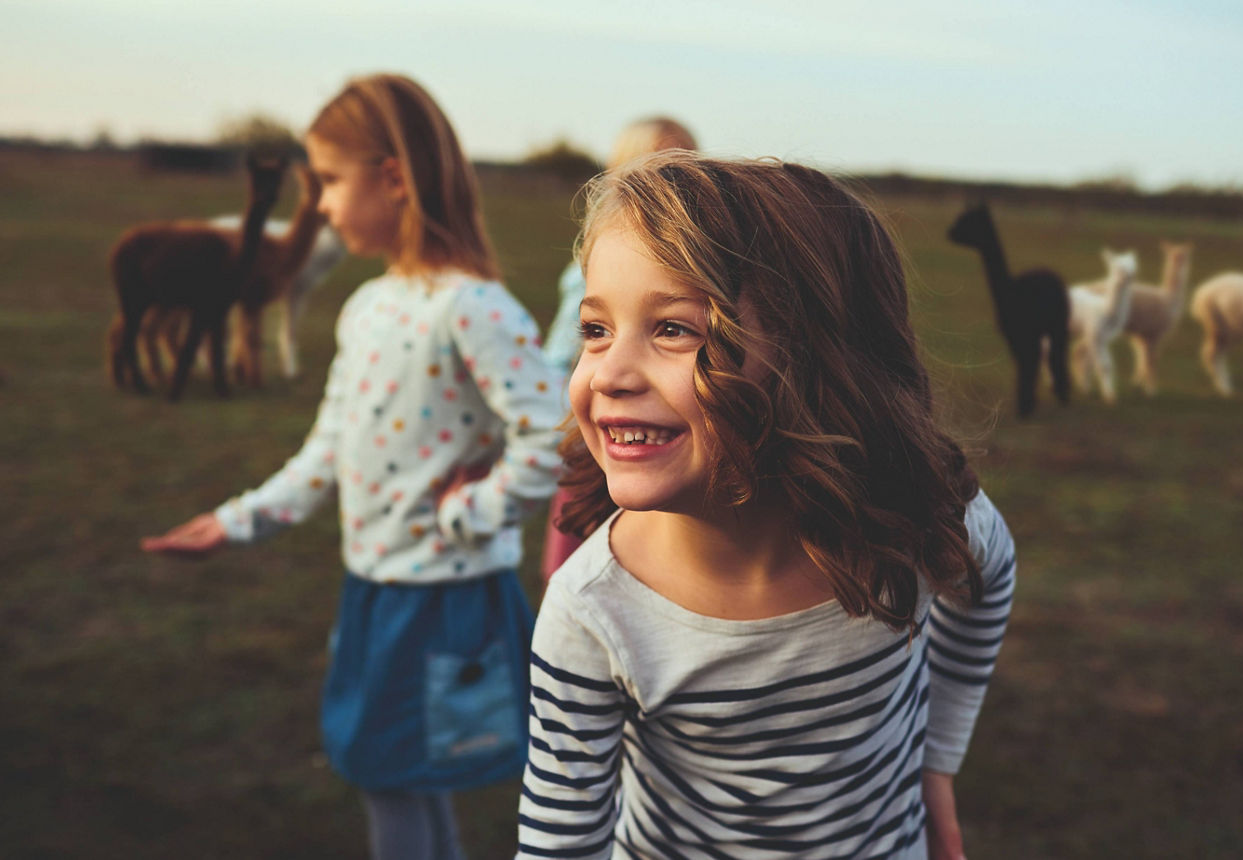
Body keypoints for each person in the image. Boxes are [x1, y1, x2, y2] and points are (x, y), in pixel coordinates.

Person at [516, 154, 1016, 860]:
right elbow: (558, 846)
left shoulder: (914, 522)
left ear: (816, 355)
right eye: (595, 330)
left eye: (673, 330)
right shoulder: (594, 612)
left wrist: (936, 761)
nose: (611, 373)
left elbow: (990, 580)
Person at [141, 73, 565, 860]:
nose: (323, 206)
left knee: (390, 778)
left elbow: (556, 434)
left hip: (444, 600)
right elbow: (329, 446)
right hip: (374, 590)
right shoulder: (367, 306)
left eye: (330, 181)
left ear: (394, 177)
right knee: (405, 780)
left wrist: (467, 516)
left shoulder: (471, 307)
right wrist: (237, 522)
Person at [539, 116, 699, 581]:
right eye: (660, 163)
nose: (678, 177)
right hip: (598, 443)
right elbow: (556, 355)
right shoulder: (589, 269)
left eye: (688, 162)